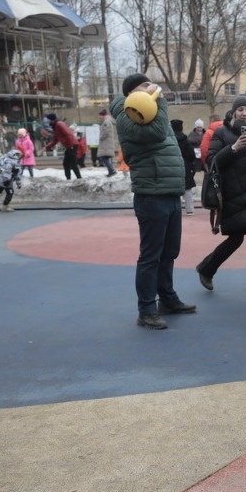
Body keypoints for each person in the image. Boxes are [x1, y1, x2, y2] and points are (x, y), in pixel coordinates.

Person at [111, 72, 196, 330]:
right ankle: (146, 309)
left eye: (151, 84)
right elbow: (158, 133)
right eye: (145, 85)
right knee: (151, 256)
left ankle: (167, 299)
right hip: (151, 194)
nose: (152, 88)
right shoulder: (127, 114)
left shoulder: (149, 110)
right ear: (131, 93)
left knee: (169, 252)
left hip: (169, 191)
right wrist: (161, 101)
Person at [196, 96, 246, 292]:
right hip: (233, 194)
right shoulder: (222, 132)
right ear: (233, 113)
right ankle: (206, 269)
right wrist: (233, 148)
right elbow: (212, 161)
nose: (244, 113)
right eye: (240, 109)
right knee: (236, 238)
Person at [44, 113, 82, 180]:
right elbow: (55, 140)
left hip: (72, 145)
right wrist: (47, 147)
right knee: (66, 163)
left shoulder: (59, 124)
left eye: (48, 120)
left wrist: (71, 146)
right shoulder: (55, 126)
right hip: (69, 146)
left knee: (73, 163)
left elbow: (68, 134)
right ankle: (68, 178)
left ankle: (79, 178)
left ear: (52, 120)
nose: (47, 121)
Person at [171, 119, 197, 215]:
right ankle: (189, 209)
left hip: (172, 165)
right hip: (184, 165)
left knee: (173, 188)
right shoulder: (186, 140)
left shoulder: (169, 139)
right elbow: (191, 154)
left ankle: (175, 209)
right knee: (187, 188)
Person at [97, 109, 118, 177]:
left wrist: (101, 137)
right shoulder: (108, 121)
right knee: (106, 157)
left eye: (100, 115)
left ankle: (111, 170)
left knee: (103, 157)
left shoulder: (106, 122)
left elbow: (106, 131)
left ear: (103, 115)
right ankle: (111, 171)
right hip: (108, 142)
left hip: (106, 143)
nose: (99, 117)